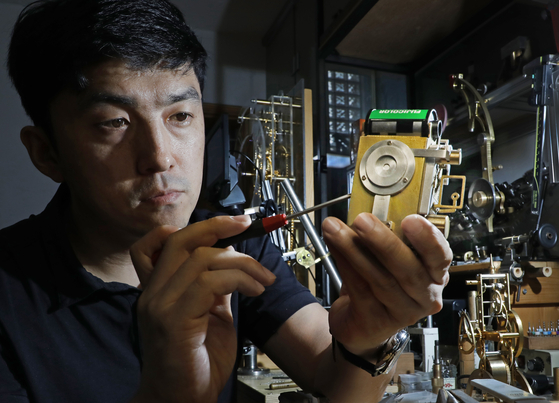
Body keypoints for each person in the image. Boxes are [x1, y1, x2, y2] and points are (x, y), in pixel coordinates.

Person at [0, 0, 452, 402]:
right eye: (113, 122)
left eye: (180, 115)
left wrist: (369, 337)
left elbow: (333, 377)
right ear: (47, 152)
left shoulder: (234, 243)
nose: (159, 156)